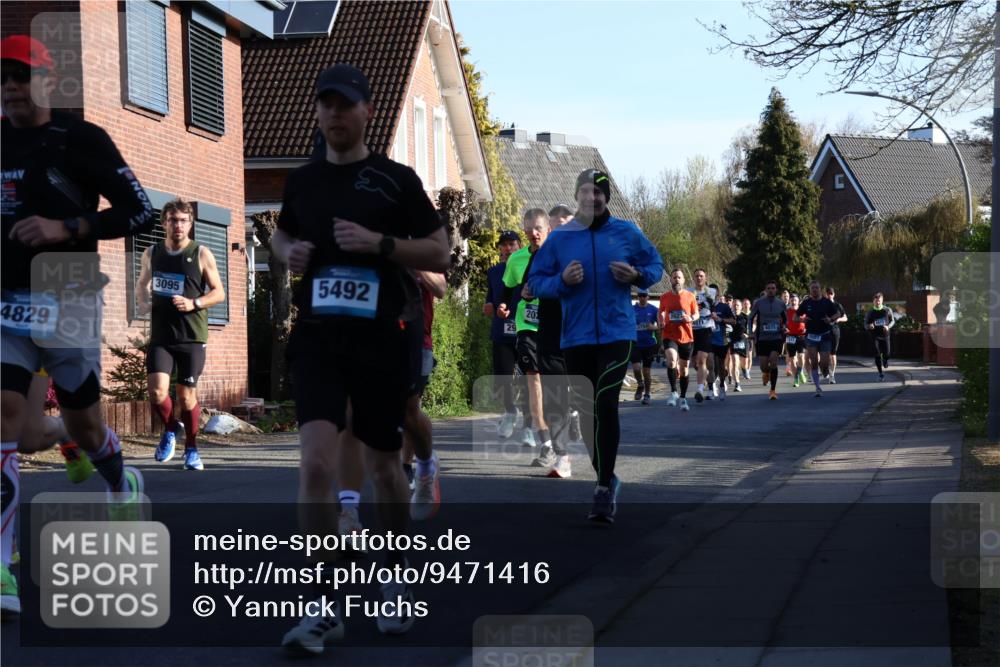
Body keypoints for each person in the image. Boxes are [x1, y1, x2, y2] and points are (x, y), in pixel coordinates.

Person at [270, 64, 450, 653]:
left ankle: (394, 575)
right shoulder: (302, 181)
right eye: (325, 105)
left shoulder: (395, 181)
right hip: (319, 337)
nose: (334, 114)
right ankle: (323, 606)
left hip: (382, 338)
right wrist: (287, 250)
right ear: (316, 113)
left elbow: (441, 253)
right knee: (316, 465)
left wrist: (381, 245)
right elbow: (281, 235)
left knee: (381, 469)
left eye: (345, 105)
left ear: (367, 111)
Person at [1, 35, 155, 618]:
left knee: (85, 426)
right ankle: (2, 564)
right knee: (7, 416)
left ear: (48, 81)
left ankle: (119, 479)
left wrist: (66, 228)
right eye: (3, 77)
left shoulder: (79, 138)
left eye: (21, 75)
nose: (11, 86)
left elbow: (138, 210)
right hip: (6, 298)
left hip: (66, 288)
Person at [528, 169, 663, 523]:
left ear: (606, 198)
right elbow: (535, 282)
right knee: (588, 413)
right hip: (576, 336)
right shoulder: (559, 240)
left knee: (605, 401)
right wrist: (561, 280)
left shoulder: (626, 232)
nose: (592, 198)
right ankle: (609, 477)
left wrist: (636, 277)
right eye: (586, 192)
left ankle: (603, 487)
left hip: (619, 333)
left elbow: (655, 264)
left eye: (598, 193)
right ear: (578, 196)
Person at [136, 199, 225, 471]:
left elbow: (218, 292)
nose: (178, 225)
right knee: (156, 392)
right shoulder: (151, 253)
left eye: (183, 220)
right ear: (164, 223)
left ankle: (192, 449)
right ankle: (172, 428)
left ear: (190, 224)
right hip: (162, 335)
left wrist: (194, 303)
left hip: (191, 336)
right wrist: (142, 300)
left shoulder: (201, 253)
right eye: (173, 220)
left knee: (186, 397)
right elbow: (142, 283)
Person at [530, 203, 577, 477]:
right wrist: (527, 291)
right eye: (556, 227)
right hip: (550, 332)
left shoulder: (586, 253)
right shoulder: (543, 256)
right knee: (554, 394)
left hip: (581, 331)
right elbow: (531, 285)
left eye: (567, 225)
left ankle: (576, 410)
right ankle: (563, 456)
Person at [498, 209, 551, 451]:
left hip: (553, 324)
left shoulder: (557, 257)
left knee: (553, 381)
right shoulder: (516, 259)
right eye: (529, 229)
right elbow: (508, 288)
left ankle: (562, 415)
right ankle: (542, 436)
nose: (534, 233)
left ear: (548, 229)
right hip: (526, 325)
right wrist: (503, 304)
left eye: (538, 228)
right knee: (534, 377)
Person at [484, 230, 527, 438]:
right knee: (502, 378)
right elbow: (491, 298)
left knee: (530, 379)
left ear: (520, 246)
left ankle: (529, 425)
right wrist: (489, 305)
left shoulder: (529, 268)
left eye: (512, 244)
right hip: (502, 329)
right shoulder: (493, 272)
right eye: (504, 245)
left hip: (527, 329)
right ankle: (511, 411)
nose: (508, 248)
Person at [658, 269, 698, 411]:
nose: (676, 280)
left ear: (683, 280)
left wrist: (691, 318)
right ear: (671, 280)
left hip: (686, 336)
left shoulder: (690, 296)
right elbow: (661, 312)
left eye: (679, 277)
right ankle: (673, 392)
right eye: (674, 277)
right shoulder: (664, 297)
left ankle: (683, 397)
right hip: (669, 334)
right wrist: (661, 322)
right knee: (671, 360)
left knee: (684, 369)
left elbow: (696, 314)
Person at [798, 281, 841, 397]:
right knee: (814, 362)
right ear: (810, 290)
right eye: (812, 288)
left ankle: (826, 371)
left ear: (820, 289)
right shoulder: (806, 303)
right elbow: (795, 316)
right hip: (811, 336)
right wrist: (802, 320)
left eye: (817, 288)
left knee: (824, 363)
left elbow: (838, 314)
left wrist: (830, 319)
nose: (815, 290)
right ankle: (817, 388)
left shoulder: (826, 302)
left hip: (825, 335)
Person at [749, 281, 787, 400]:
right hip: (762, 338)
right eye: (769, 288)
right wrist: (751, 332)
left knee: (774, 362)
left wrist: (785, 327)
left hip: (776, 337)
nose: (771, 290)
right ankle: (766, 373)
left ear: (776, 290)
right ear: (765, 290)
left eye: (773, 288)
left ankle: (772, 390)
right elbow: (750, 318)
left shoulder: (781, 304)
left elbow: (785, 319)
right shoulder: (759, 303)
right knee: (764, 366)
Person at [688, 269, 719, 403]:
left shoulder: (711, 292)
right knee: (696, 363)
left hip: (706, 328)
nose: (699, 278)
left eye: (701, 276)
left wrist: (715, 315)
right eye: (697, 276)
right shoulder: (688, 292)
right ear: (694, 278)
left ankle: (703, 389)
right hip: (692, 328)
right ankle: (705, 380)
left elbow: (715, 308)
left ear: (705, 278)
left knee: (703, 360)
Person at [631, 288, 658, 405]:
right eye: (640, 295)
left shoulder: (654, 310)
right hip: (635, 343)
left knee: (647, 372)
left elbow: (662, 326)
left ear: (648, 296)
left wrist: (654, 327)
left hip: (648, 344)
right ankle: (640, 384)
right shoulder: (632, 310)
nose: (642, 298)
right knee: (636, 368)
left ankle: (647, 394)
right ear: (638, 296)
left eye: (644, 295)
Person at [708, 291, 736, 401]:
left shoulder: (723, 307)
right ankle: (711, 388)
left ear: (718, 296)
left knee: (720, 365)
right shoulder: (704, 306)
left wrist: (721, 320)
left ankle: (722, 386)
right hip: (708, 340)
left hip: (721, 340)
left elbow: (733, 321)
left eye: (714, 294)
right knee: (710, 364)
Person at [866, 292, 895, 381]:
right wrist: (869, 326)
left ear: (882, 300)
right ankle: (880, 374)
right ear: (873, 301)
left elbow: (892, 321)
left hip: (885, 335)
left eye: (879, 301)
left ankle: (885, 360)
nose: (878, 302)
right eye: (876, 301)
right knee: (877, 355)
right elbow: (865, 324)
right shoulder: (870, 312)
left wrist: (888, 327)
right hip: (875, 336)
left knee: (887, 353)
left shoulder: (887, 310)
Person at [825, 286, 848, 383]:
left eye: (831, 293)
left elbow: (845, 317)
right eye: (828, 293)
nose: (830, 295)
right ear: (826, 294)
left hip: (834, 331)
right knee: (824, 353)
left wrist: (839, 319)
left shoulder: (838, 305)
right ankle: (825, 369)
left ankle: (832, 375)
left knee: (833, 354)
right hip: (824, 331)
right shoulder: (823, 305)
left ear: (834, 294)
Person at [785, 293, 807, 387]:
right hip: (790, 336)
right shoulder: (787, 311)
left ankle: (800, 371)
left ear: (798, 301)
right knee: (792, 359)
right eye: (792, 300)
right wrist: (784, 328)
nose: (793, 302)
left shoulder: (803, 311)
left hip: (801, 336)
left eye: (795, 300)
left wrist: (807, 328)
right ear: (790, 301)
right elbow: (782, 322)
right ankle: (796, 379)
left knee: (801, 357)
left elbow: (808, 321)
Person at [729, 299, 749, 392]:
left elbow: (750, 327)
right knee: (735, 362)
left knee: (744, 363)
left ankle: (744, 369)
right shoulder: (729, 317)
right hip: (733, 341)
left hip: (743, 342)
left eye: (737, 305)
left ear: (741, 307)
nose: (736, 307)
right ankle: (737, 384)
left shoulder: (745, 317)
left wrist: (748, 334)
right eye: (734, 305)